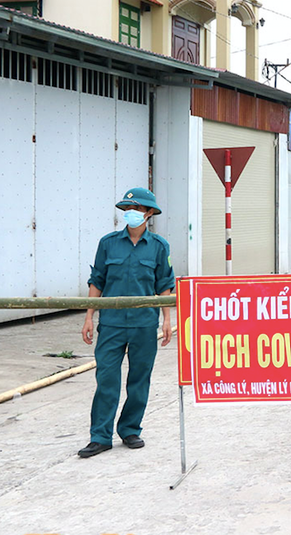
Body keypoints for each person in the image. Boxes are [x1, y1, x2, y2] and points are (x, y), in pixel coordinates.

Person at [78, 188, 174, 458]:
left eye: (138, 209)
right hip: (111, 324)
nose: (131, 214)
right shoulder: (108, 243)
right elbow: (97, 281)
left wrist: (167, 320)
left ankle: (130, 429)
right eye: (127, 209)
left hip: (144, 324)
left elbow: (164, 285)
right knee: (107, 378)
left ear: (149, 213)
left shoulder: (159, 247)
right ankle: (100, 436)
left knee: (139, 379)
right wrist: (89, 316)